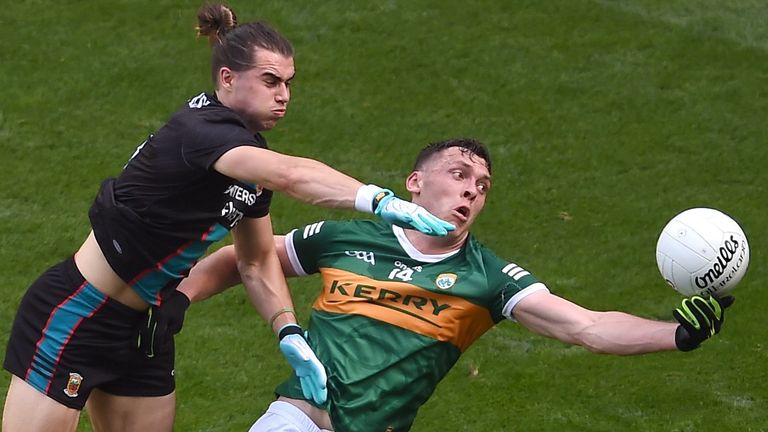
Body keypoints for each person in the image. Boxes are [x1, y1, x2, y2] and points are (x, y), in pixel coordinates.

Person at [1, 4, 455, 432]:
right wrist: (377, 199)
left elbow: (255, 260)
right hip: (77, 314)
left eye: (289, 83)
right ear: (228, 78)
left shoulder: (248, 157)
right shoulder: (200, 132)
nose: (284, 96)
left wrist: (288, 330)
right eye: (271, 81)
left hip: (146, 331)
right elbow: (292, 175)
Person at [174, 138, 734, 432]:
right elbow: (242, 258)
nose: (471, 191)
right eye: (459, 175)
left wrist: (676, 335)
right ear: (415, 183)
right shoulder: (344, 238)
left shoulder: (488, 278)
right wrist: (172, 300)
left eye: (482, 185)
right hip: (294, 419)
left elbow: (586, 327)